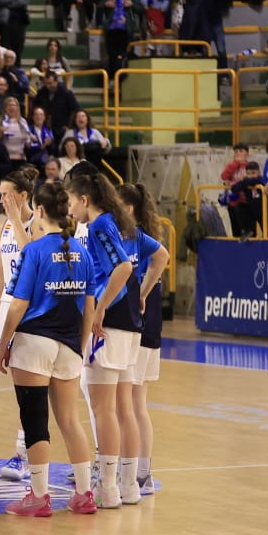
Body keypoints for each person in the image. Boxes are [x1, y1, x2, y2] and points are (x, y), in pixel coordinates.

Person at [0, 183, 98, 516]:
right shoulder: (82, 253)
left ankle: (39, 497)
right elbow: (89, 306)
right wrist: (80, 348)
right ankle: (85, 494)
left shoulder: (35, 251)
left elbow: (18, 305)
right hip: (69, 344)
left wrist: (3, 344)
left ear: (38, 211)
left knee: (35, 420)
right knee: (70, 420)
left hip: (34, 342)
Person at [68, 172, 142, 509]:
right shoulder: (115, 220)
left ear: (84, 200)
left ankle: (108, 487)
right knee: (123, 408)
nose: (69, 209)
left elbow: (123, 268)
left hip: (109, 322)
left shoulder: (98, 225)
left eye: (71, 201)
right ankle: (129, 485)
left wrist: (98, 310)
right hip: (129, 322)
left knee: (103, 409)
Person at [117, 184, 170, 499]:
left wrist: (142, 293)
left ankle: (136, 473)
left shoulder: (133, 238)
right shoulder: (146, 238)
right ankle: (142, 471)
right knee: (137, 403)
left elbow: (161, 259)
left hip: (140, 328)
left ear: (131, 208)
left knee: (131, 404)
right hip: (149, 330)